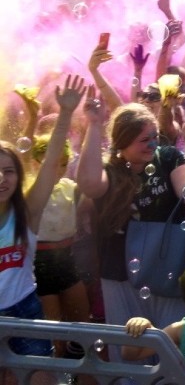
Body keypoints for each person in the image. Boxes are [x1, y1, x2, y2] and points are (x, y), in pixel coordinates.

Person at [76, 94, 185, 359]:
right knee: (128, 352)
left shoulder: (168, 157)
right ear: (123, 142)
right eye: (143, 140)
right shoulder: (109, 169)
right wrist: (93, 125)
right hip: (120, 275)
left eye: (154, 136)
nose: (152, 144)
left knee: (173, 352)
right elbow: (90, 184)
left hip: (167, 270)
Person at [0, 75, 86, 384]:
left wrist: (65, 113)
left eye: (8, 171)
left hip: (25, 309)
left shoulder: (26, 212)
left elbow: (50, 167)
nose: (2, 178)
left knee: (41, 380)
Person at [30, 134, 90, 359]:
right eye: (55, 164)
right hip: (40, 264)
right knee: (52, 332)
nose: (61, 169)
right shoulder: (31, 191)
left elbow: (90, 193)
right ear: (37, 163)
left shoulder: (70, 187)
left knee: (83, 324)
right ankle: (57, 373)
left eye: (65, 164)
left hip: (67, 258)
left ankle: (78, 372)